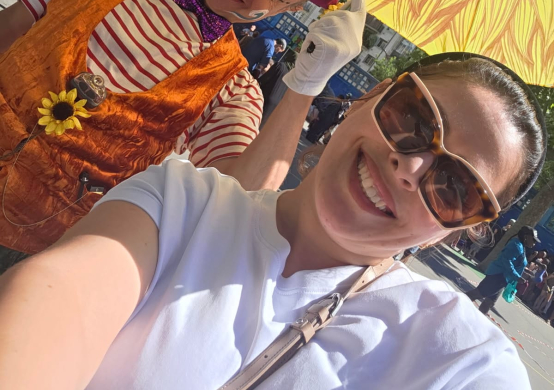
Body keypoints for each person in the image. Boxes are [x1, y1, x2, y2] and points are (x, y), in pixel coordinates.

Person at [0, 53, 545, 389]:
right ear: (372, 95)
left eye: (455, 188)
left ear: (454, 231)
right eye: (416, 119)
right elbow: (57, 299)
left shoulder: (461, 357)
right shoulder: (182, 203)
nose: (412, 167)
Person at [0, 0, 363, 271]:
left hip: (31, 245)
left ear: (288, 10)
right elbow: (12, 25)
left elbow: (239, 199)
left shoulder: (235, 89)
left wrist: (307, 83)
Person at [466, 226, 539, 314]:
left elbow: (516, 263)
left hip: (503, 278)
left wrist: (525, 271)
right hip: (497, 276)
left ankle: (478, 318)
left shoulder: (521, 246)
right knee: (478, 294)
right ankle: (454, 302)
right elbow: (507, 262)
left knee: (490, 302)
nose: (534, 243)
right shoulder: (516, 245)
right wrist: (517, 276)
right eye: (533, 240)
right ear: (526, 236)